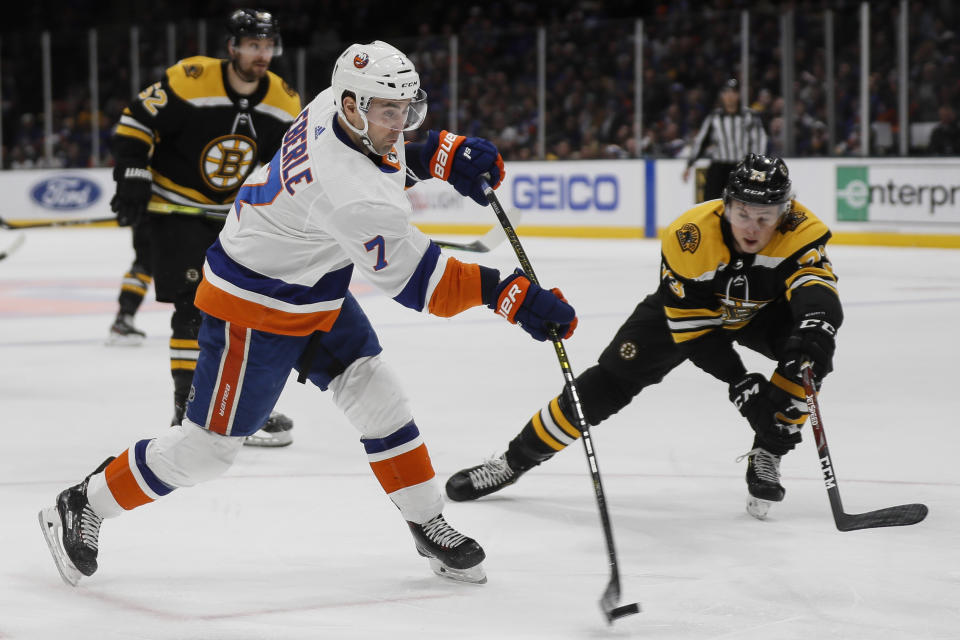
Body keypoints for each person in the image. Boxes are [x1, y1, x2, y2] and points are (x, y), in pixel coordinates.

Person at [38, 40, 577, 588]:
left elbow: (384, 155)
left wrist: (440, 152)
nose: (401, 124)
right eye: (390, 112)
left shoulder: (333, 104)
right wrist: (512, 295)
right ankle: (83, 501)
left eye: (408, 110)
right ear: (352, 106)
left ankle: (425, 519)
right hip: (255, 306)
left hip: (311, 283)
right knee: (206, 452)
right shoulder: (354, 196)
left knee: (380, 397)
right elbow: (426, 286)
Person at [446, 154, 842, 521]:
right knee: (608, 382)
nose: (753, 228)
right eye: (743, 214)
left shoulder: (800, 229)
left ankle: (768, 452)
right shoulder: (690, 235)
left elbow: (819, 294)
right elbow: (696, 333)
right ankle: (512, 462)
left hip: (759, 313)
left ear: (784, 211)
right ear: (726, 204)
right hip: (686, 313)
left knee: (811, 353)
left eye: (765, 216)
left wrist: (816, 324)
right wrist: (741, 385)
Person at [106, 9, 301, 446]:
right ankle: (189, 417)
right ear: (232, 47)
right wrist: (133, 172)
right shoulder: (191, 78)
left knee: (247, 311)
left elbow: (290, 163)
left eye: (268, 45)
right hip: (175, 209)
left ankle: (238, 410)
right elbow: (137, 120)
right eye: (253, 44)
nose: (262, 54)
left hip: (231, 216)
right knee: (194, 310)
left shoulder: (284, 101)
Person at [683, 79, 769, 201]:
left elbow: (759, 141)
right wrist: (690, 164)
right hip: (719, 167)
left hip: (741, 167)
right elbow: (701, 141)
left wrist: (756, 165)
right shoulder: (714, 117)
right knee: (711, 203)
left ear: (738, 95)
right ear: (722, 96)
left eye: (733, 92)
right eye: (726, 93)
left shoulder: (749, 116)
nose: (729, 96)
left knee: (743, 203)